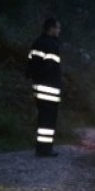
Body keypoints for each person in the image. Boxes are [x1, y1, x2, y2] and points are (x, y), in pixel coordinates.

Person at [26, 17, 63, 157]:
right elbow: (51, 67)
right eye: (57, 28)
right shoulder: (52, 45)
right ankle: (45, 149)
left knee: (43, 117)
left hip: (38, 87)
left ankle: (41, 148)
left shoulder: (37, 42)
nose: (59, 31)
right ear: (51, 28)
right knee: (49, 119)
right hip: (50, 88)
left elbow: (30, 65)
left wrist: (35, 79)